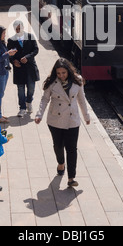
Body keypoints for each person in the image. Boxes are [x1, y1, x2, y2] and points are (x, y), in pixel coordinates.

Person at [35, 58, 90, 188]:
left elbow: (81, 99)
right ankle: (61, 163)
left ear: (68, 71)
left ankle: (71, 178)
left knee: (72, 149)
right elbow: (44, 99)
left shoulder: (77, 80)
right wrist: (39, 115)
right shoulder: (51, 83)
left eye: (63, 73)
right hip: (55, 120)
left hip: (72, 120)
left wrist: (86, 116)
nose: (61, 76)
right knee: (58, 146)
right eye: (58, 73)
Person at [7, 20, 40, 118]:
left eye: (19, 28)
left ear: (23, 27)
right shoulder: (11, 40)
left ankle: (29, 101)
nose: (18, 30)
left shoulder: (30, 37)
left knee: (31, 88)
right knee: (20, 88)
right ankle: (22, 108)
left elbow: (35, 50)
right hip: (19, 69)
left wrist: (27, 57)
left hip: (30, 67)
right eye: (16, 29)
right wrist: (14, 61)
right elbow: (9, 54)